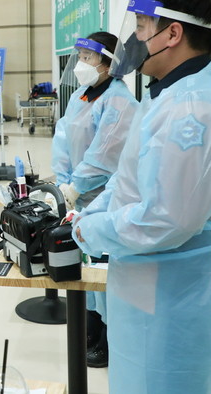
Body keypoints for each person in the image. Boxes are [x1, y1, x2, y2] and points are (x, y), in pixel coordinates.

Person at [74, 0, 211, 393]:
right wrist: (89, 213)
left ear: (172, 34)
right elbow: (128, 179)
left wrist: (89, 230)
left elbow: (165, 220)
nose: (134, 40)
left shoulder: (192, 110)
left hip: (180, 300)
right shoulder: (171, 95)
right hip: (156, 288)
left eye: (141, 27)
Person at [51, 31, 137, 368]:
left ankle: (108, 339)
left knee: (105, 270)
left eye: (88, 57)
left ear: (108, 63)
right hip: (79, 198)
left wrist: (76, 186)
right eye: (81, 57)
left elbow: (104, 155)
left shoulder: (120, 102)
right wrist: (63, 184)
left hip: (107, 200)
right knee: (85, 267)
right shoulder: (81, 96)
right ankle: (90, 328)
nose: (81, 64)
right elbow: (62, 137)